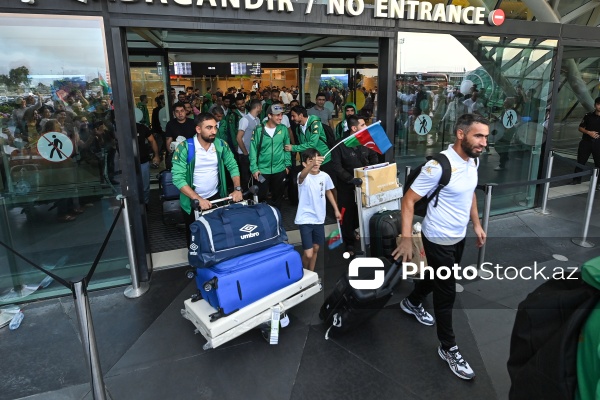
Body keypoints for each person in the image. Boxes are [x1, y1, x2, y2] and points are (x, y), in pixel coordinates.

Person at [392, 113, 488, 381]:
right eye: (478, 136)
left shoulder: (473, 161)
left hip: (458, 237)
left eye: (486, 137)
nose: (483, 142)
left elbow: (470, 195)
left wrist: (477, 225)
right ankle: (449, 348)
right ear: (461, 134)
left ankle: (411, 302)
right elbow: (409, 201)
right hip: (437, 239)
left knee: (436, 278)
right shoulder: (438, 166)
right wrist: (407, 239)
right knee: (446, 296)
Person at [171, 113, 242, 247]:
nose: (214, 131)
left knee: (218, 233)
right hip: (192, 201)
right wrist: (198, 199)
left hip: (216, 197)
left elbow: (232, 166)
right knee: (195, 237)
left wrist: (237, 188)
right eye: (209, 128)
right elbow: (178, 179)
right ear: (198, 129)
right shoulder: (185, 148)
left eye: (215, 127)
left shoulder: (220, 145)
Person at [330, 115, 378, 256]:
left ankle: (362, 237)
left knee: (364, 213)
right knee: (347, 216)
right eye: (363, 124)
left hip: (366, 185)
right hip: (347, 188)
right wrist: (350, 179)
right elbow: (337, 167)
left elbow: (373, 156)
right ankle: (349, 244)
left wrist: (373, 169)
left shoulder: (367, 141)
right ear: (354, 128)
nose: (365, 127)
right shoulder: (340, 145)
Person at [294, 148, 341, 271]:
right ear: (304, 164)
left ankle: (312, 273)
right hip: (305, 219)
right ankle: (302, 273)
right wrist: (311, 164)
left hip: (319, 219)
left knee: (316, 248)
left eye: (317, 160)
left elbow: (328, 192)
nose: (315, 164)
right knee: (308, 253)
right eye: (311, 161)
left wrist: (336, 209)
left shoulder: (325, 176)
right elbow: (302, 175)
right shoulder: (302, 176)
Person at [249, 104, 291, 210]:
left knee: (278, 196)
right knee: (261, 195)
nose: (280, 117)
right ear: (269, 115)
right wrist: (254, 168)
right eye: (277, 115)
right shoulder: (258, 130)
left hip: (280, 169)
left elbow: (287, 148)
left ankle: (277, 216)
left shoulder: (283, 129)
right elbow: (253, 150)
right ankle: (262, 217)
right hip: (262, 171)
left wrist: (287, 165)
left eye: (281, 115)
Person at [573, 96, 600, 186]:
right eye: (598, 104)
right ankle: (576, 180)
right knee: (580, 161)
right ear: (595, 105)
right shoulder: (588, 116)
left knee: (598, 163)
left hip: (598, 143)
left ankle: (598, 183)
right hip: (586, 142)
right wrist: (589, 132)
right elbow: (580, 128)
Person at [237, 99, 262, 189]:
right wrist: (245, 152)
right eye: (261, 106)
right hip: (245, 154)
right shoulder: (245, 120)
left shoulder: (258, 120)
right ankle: (245, 197)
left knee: (255, 175)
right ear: (258, 107)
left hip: (253, 154)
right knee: (246, 177)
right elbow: (239, 138)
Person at [165, 102, 196, 169]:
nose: (180, 113)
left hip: (191, 152)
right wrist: (171, 153)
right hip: (177, 153)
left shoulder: (193, 122)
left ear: (185, 111)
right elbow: (168, 140)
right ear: (174, 113)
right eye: (177, 111)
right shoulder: (170, 124)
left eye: (182, 111)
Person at [136, 121, 160, 205]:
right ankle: (134, 207)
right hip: (128, 164)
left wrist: (156, 155)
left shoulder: (141, 127)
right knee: (132, 188)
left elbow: (152, 140)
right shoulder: (121, 128)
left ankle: (145, 205)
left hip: (143, 161)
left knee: (145, 187)